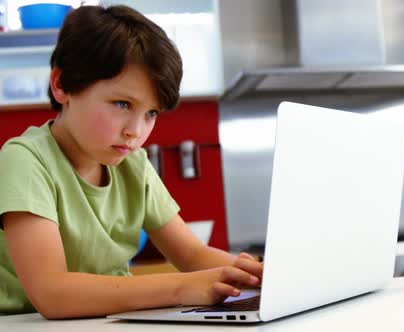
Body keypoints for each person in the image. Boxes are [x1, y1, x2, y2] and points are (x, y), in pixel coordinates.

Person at [0, 5, 263, 319]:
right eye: (122, 103)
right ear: (62, 85)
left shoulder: (133, 165)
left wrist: (254, 275)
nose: (135, 132)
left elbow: (192, 254)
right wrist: (180, 287)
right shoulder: (24, 161)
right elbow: (52, 293)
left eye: (151, 113)